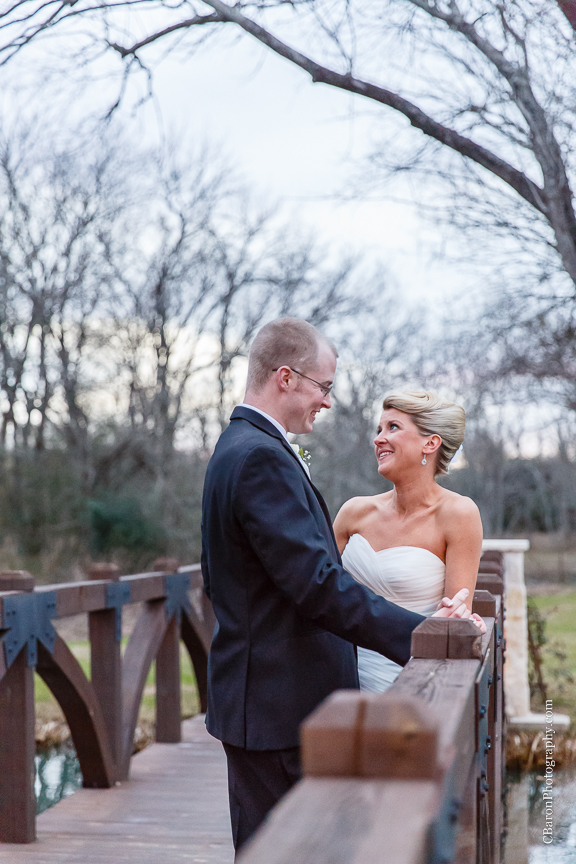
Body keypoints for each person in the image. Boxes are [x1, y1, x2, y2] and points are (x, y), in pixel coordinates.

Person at [201, 318, 485, 855]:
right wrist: (423, 631)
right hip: (276, 704)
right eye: (323, 387)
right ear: (287, 378)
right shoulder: (261, 455)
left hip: (272, 698)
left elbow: (225, 575)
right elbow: (318, 585)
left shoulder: (240, 445)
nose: (328, 403)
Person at [334, 390, 483, 692]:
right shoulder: (353, 512)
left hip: (413, 678)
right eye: (379, 429)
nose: (378, 439)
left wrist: (464, 623)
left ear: (430, 443)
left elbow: (454, 616)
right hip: (338, 675)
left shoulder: (458, 514)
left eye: (393, 427)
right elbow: (317, 587)